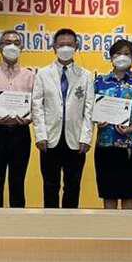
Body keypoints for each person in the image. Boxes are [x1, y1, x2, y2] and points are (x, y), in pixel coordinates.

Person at [32, 28, 94, 208]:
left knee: (72, 187)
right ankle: (50, 223)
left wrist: (86, 137)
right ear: (54, 47)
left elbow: (89, 109)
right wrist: (40, 135)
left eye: (69, 45)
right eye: (61, 45)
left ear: (76, 47)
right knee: (50, 186)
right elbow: (37, 106)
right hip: (49, 138)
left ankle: (71, 223)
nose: (65, 48)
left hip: (76, 140)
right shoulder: (43, 74)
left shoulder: (86, 76)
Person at [93, 38, 132, 209]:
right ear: (111, 57)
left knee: (130, 192)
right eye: (118, 53)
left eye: (126, 54)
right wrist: (98, 120)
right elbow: (91, 108)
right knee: (108, 192)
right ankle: (109, 226)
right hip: (106, 144)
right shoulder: (100, 81)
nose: (122, 57)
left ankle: (128, 226)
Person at [0, 30, 35, 208]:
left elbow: (35, 106)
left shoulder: (30, 75)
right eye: (7, 42)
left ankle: (18, 224)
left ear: (22, 47)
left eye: (16, 43)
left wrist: (28, 117)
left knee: (18, 183)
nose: (11, 46)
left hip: (21, 133)